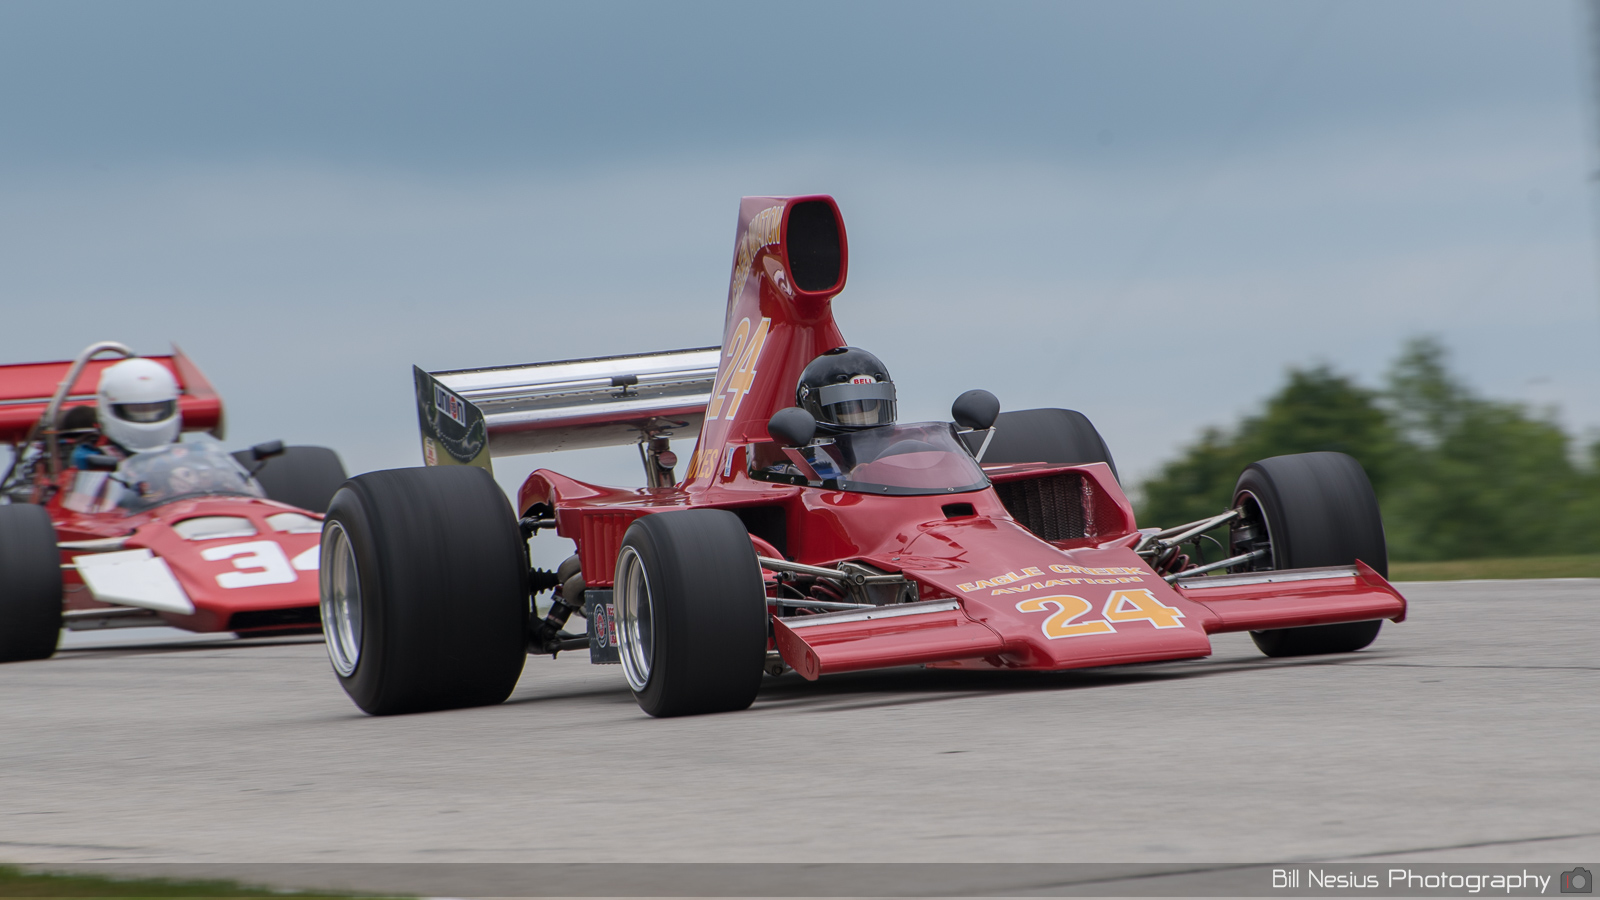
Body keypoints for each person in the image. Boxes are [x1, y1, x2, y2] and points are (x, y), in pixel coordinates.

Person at [68, 358, 182, 469]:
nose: (147, 416)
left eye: (156, 408)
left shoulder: (183, 454)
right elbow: (81, 459)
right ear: (111, 408)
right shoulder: (91, 454)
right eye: (137, 410)